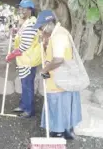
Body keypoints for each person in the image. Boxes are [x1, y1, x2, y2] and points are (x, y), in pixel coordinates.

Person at [33, 10, 82, 139]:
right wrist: (44, 43)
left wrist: (44, 70)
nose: (40, 30)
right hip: (62, 79)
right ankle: (66, 131)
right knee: (65, 106)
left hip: (59, 80)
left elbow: (58, 59)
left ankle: (58, 133)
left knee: (58, 106)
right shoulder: (58, 33)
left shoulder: (59, 36)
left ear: (49, 24)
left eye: (41, 27)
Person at [6, 0, 41, 118]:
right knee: (24, 83)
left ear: (30, 10)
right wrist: (16, 32)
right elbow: (23, 36)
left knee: (27, 85)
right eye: (20, 8)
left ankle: (29, 110)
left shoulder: (31, 23)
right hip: (25, 59)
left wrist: (12, 55)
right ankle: (23, 105)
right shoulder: (27, 22)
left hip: (29, 60)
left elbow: (25, 44)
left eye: (24, 8)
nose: (21, 10)